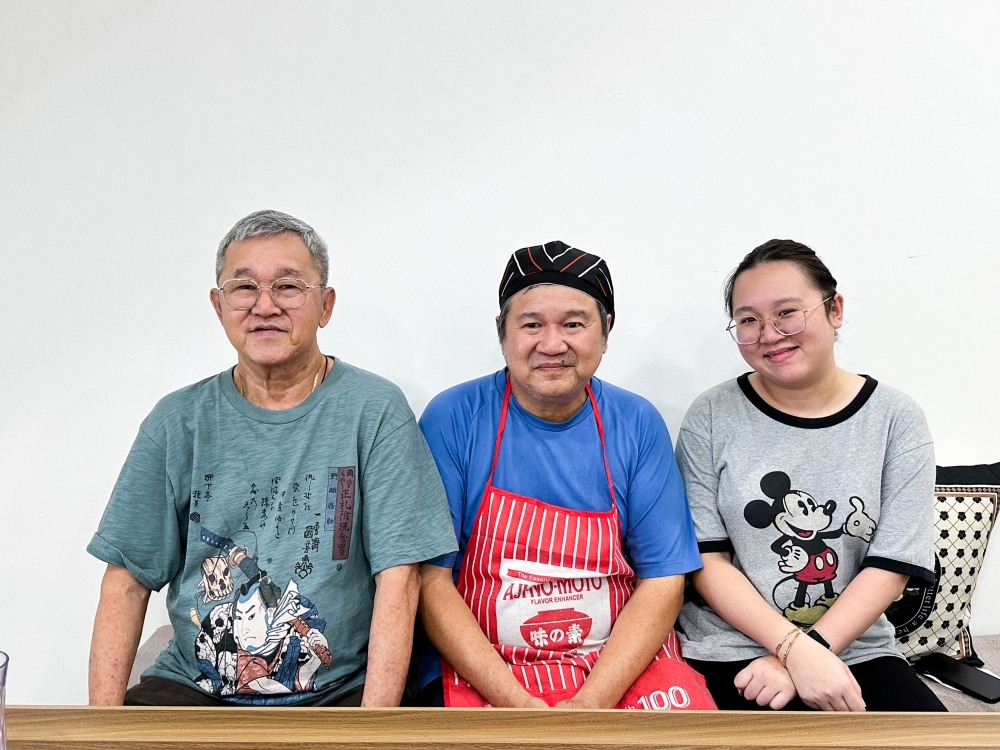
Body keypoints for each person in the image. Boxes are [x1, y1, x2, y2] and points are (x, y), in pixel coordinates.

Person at [87, 210, 457, 707]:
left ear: (324, 305)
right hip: (194, 687)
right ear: (219, 306)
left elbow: (401, 578)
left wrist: (374, 731)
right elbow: (127, 582)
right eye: (244, 288)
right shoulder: (178, 421)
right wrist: (102, 729)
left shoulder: (374, 410)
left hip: (335, 689)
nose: (265, 306)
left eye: (287, 287)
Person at [416, 242, 716, 709]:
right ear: (502, 332)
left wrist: (591, 703)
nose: (552, 344)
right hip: (484, 667)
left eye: (574, 324)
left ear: (606, 331)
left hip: (619, 664)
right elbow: (432, 580)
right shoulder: (455, 417)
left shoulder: (636, 422)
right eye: (531, 324)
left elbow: (662, 580)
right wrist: (517, 703)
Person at [675, 239, 946, 712]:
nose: (769, 333)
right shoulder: (711, 416)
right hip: (729, 649)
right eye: (748, 320)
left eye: (787, 312)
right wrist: (792, 648)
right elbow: (707, 562)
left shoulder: (896, 418)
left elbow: (892, 565)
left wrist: (813, 650)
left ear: (834, 309)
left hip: (854, 648)